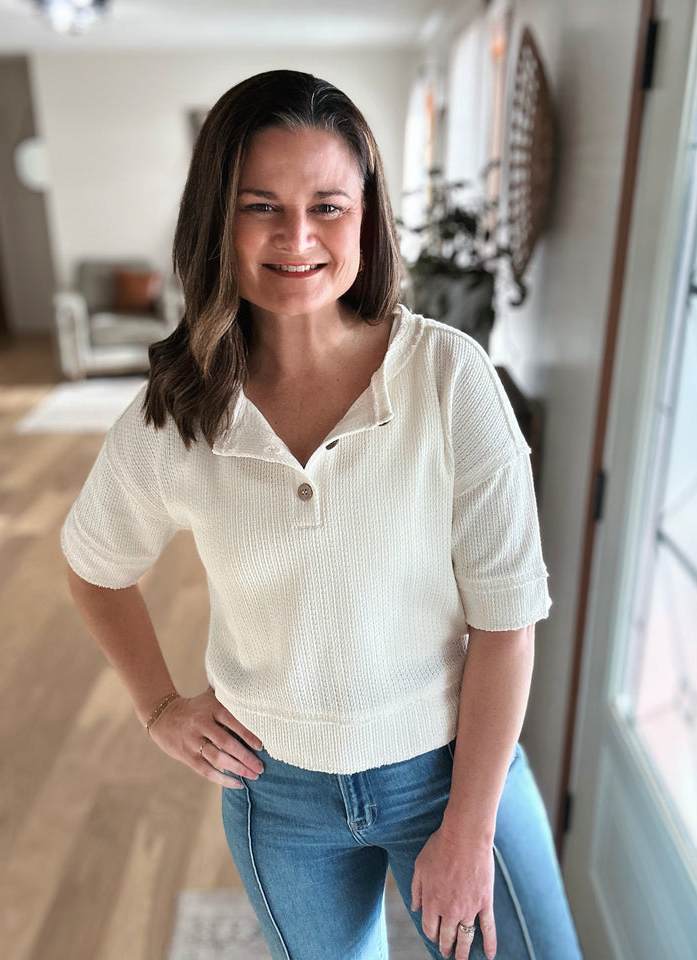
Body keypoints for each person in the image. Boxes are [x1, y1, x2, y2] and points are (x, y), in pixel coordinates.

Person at [61, 69, 583, 960]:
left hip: (453, 772)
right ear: (216, 221)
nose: (296, 236)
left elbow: (508, 626)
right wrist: (159, 709)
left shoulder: (449, 378)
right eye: (260, 206)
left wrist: (467, 829)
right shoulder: (179, 408)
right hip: (278, 797)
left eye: (328, 206)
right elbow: (93, 566)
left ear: (366, 217)